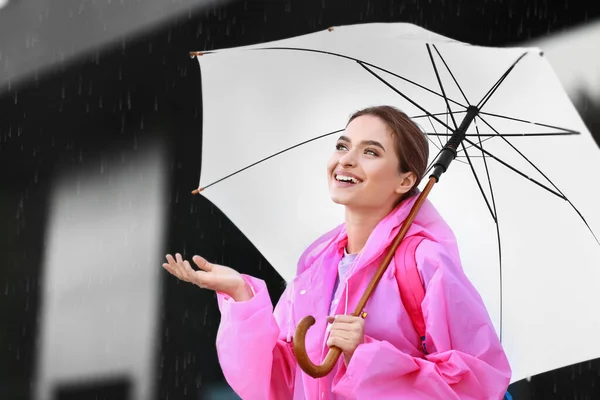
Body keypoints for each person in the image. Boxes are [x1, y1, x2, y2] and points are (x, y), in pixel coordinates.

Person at [162, 105, 512, 399]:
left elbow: (475, 384)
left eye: (370, 152)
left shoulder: (424, 261)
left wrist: (368, 355)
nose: (346, 161)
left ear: (405, 181)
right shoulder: (316, 266)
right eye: (343, 146)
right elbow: (275, 385)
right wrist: (241, 295)